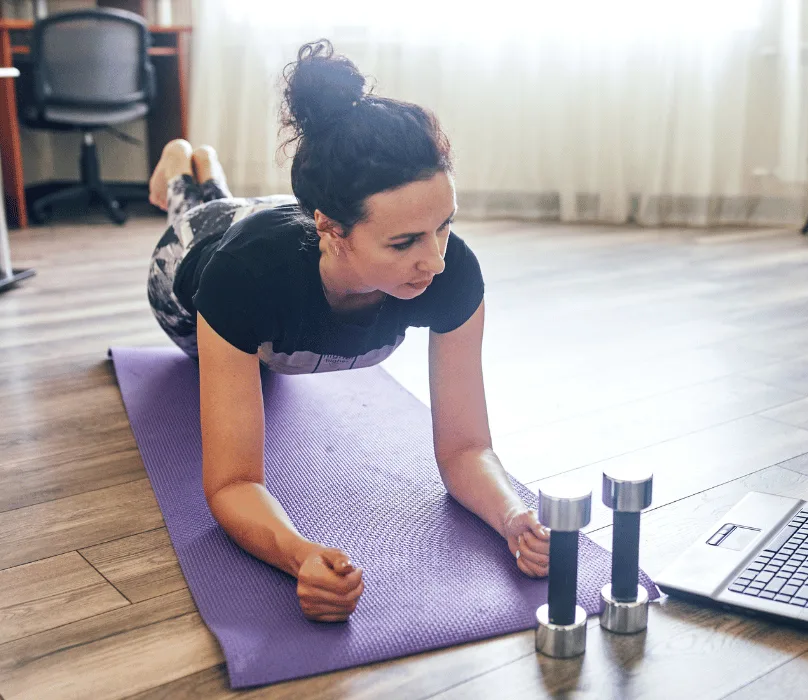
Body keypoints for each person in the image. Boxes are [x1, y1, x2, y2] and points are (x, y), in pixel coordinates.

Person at [146, 39, 550, 623]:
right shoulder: (246, 280)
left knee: (246, 215)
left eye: (443, 226)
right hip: (198, 254)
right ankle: (183, 166)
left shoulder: (450, 270)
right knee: (196, 212)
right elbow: (232, 482)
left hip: (285, 226)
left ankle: (207, 170)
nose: (435, 260)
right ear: (333, 230)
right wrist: (299, 555)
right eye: (405, 241)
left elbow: (466, 448)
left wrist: (514, 515)